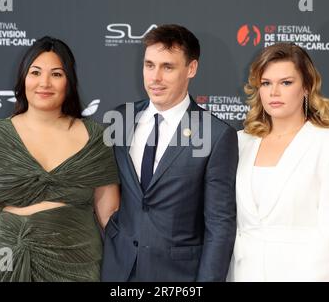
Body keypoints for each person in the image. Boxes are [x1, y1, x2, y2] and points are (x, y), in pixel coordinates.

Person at [0, 36, 120, 282]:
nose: (44, 83)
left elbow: (109, 214)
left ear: (69, 82)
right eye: (35, 72)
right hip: (9, 262)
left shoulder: (96, 138)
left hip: (77, 262)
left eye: (56, 74)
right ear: (23, 79)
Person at [101, 24, 238, 282]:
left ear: (191, 69)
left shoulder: (215, 134)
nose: (155, 78)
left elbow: (219, 227)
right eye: (149, 65)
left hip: (177, 276)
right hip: (118, 271)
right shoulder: (120, 118)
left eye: (168, 67)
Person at [227, 42, 329, 282]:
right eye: (266, 83)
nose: (274, 92)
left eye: (286, 83)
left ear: (307, 87)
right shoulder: (238, 143)